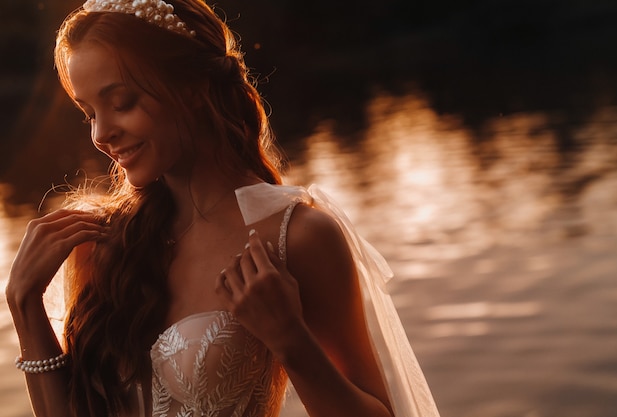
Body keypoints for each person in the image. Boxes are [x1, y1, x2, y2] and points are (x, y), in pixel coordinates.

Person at [6, 1, 440, 416]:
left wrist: (291, 341)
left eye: (122, 103)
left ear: (192, 89)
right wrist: (25, 306)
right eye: (89, 112)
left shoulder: (296, 237)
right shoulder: (97, 242)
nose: (101, 134)